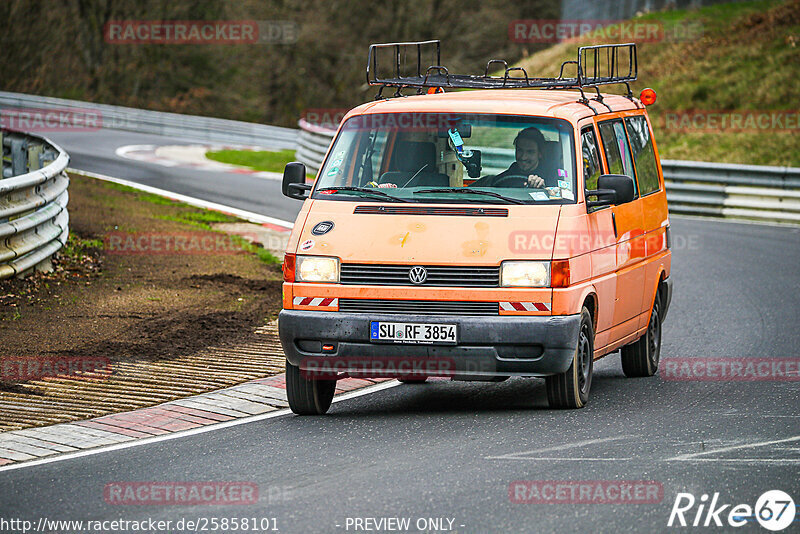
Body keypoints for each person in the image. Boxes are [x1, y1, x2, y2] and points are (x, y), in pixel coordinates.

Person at [470, 127, 556, 188]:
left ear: (540, 153)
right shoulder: (508, 175)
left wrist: (542, 187)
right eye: (520, 150)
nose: (523, 157)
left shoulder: (552, 176)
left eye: (530, 152)